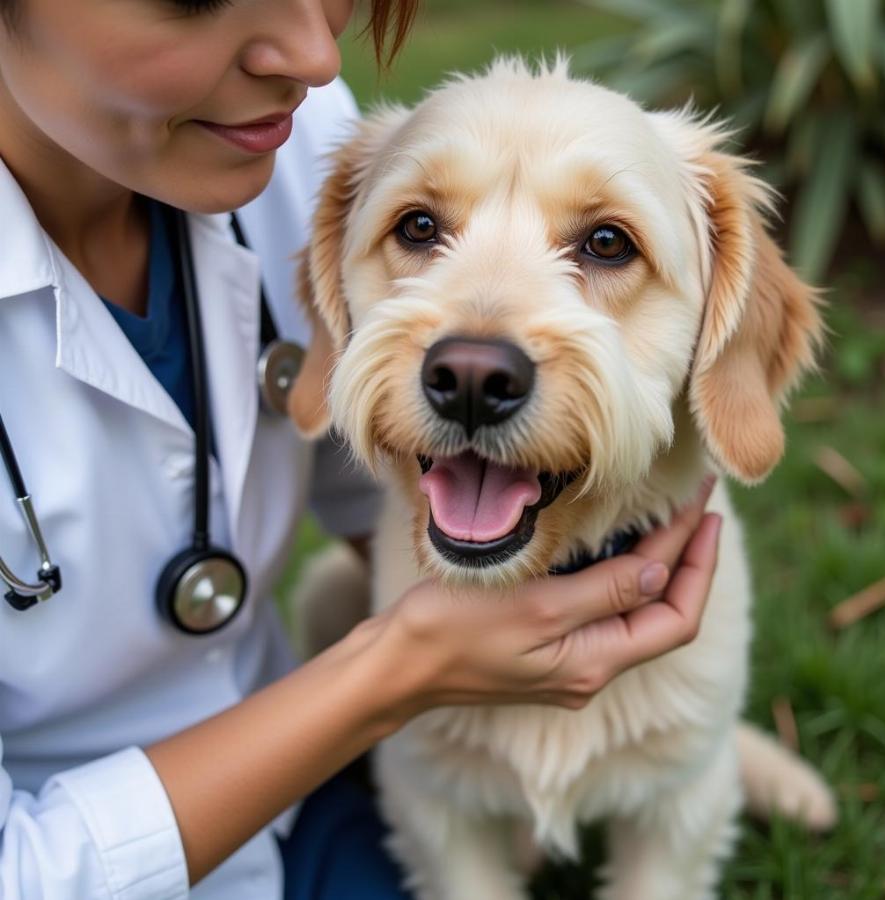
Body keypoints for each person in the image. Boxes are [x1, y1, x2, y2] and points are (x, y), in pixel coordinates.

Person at [0, 1, 723, 897]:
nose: (313, 54)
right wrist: (395, 671)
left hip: (304, 787)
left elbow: (371, 493)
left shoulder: (286, 139)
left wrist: (612, 655)